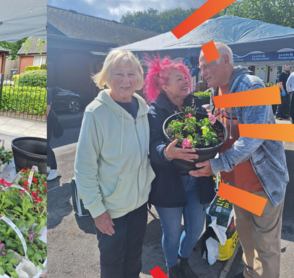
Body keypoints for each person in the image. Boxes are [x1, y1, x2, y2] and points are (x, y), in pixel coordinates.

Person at [192, 42, 289, 278]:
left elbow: (250, 140)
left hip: (261, 185)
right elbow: (224, 129)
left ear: (225, 60)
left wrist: (215, 165)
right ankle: (249, 274)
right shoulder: (217, 90)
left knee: (265, 246)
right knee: (246, 240)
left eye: (206, 67)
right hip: (234, 184)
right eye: (200, 68)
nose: (202, 73)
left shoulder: (251, 87)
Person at [74, 49, 155, 278]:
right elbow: (84, 168)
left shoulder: (142, 108)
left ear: (139, 78)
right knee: (112, 265)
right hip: (111, 209)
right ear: (107, 77)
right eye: (119, 74)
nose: (126, 80)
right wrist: (97, 211)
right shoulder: (96, 113)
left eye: (131, 74)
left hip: (139, 205)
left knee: (134, 259)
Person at [145, 55, 215, 278]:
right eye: (179, 79)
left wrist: (212, 125)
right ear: (164, 86)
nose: (186, 81)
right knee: (172, 232)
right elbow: (153, 145)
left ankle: (184, 260)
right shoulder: (154, 111)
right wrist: (166, 152)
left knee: (195, 229)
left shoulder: (195, 105)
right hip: (169, 182)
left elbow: (210, 138)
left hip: (198, 178)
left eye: (186, 77)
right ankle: (171, 267)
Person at [46, 86, 62, 180]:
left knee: (45, 145)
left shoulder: (46, 90)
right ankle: (48, 166)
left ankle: (54, 169)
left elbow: (47, 107)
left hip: (49, 120)